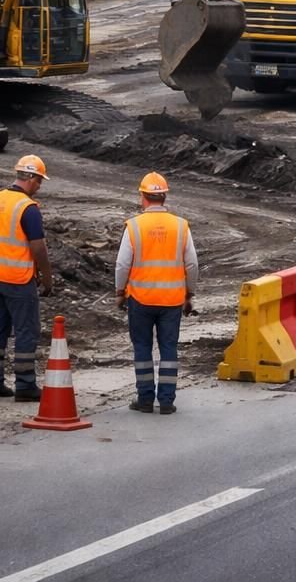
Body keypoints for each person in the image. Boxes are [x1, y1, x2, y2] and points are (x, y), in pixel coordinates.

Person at [0, 155, 53, 402]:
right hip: (18, 279)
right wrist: (47, 278)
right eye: (39, 181)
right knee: (27, 330)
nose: (39, 186)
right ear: (31, 178)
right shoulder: (27, 207)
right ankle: (26, 384)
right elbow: (38, 247)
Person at [115, 173, 198, 415]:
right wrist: (189, 294)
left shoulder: (134, 226)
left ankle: (145, 399)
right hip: (172, 300)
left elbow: (122, 264)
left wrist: (120, 292)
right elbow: (192, 264)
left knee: (142, 348)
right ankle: (167, 401)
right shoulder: (181, 226)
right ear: (164, 197)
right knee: (169, 348)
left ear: (143, 197)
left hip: (140, 298)